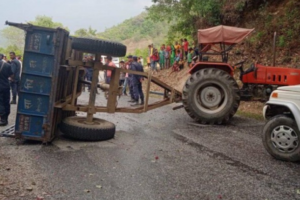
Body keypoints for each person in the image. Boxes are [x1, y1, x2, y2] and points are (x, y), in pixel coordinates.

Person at [0, 54, 13, 126]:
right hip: (6, 86)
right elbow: (11, 75)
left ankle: (3, 120)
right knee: (6, 102)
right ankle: (6, 118)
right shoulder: (7, 65)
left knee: (0, 103)